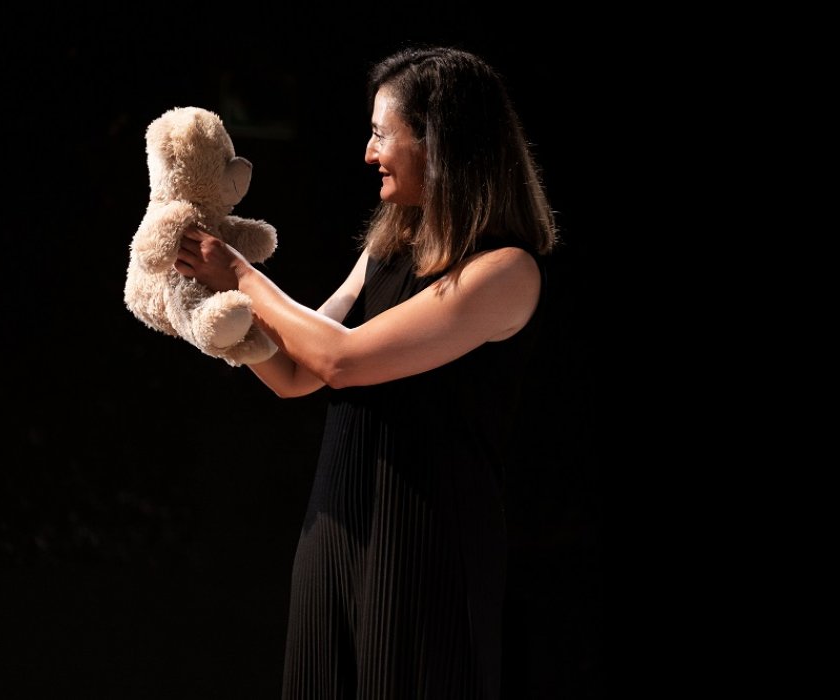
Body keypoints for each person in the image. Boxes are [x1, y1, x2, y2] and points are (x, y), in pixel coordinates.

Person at [175, 45, 559, 700]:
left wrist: (239, 273)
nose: (367, 152)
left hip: (426, 546)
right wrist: (221, 318)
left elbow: (341, 360)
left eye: (382, 133)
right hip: (336, 525)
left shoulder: (505, 271)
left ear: (438, 141)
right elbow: (297, 372)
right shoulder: (387, 248)